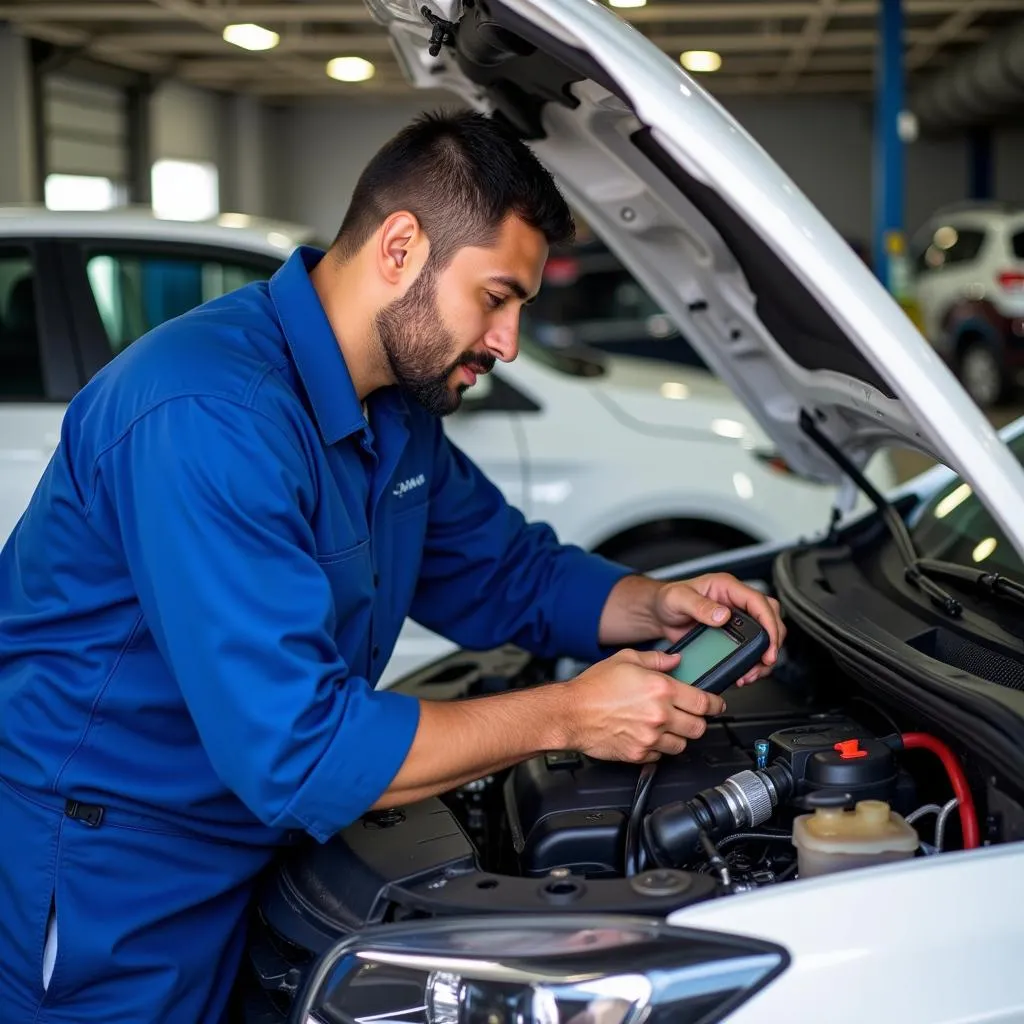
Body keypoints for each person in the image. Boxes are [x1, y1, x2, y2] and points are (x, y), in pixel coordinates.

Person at [0, 110, 784, 1023]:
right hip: (111, 876)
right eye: (496, 298)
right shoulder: (210, 417)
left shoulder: (394, 409)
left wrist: (656, 604)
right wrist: (569, 715)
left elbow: (508, 572)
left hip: (252, 849)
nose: (508, 342)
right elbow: (301, 748)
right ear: (402, 247)